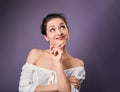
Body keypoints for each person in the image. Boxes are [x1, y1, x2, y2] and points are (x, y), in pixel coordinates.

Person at [19, 13, 85, 92]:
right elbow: (23, 89)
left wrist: (58, 63)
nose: (59, 33)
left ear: (68, 32)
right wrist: (60, 84)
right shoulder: (35, 55)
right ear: (46, 37)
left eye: (62, 27)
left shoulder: (77, 64)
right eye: (52, 29)